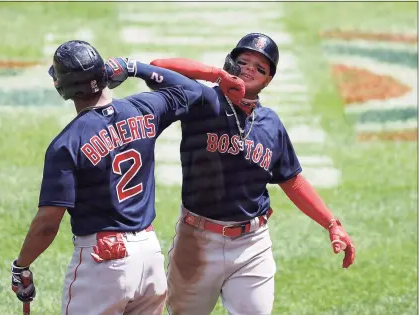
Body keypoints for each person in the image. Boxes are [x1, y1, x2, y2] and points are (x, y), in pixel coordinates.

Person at [10, 40, 246, 315]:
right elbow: (192, 90)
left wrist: (21, 264)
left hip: (103, 263)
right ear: (105, 76)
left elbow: (47, 225)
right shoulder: (145, 109)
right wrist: (135, 67)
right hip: (149, 257)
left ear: (63, 88)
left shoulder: (67, 144)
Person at [150, 32, 356, 315]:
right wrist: (216, 76)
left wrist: (331, 223)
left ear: (268, 80)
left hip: (252, 245)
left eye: (260, 69)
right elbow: (158, 66)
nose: (249, 70)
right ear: (229, 62)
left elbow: (292, 180)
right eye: (243, 61)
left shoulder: (270, 122)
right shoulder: (202, 101)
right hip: (196, 242)